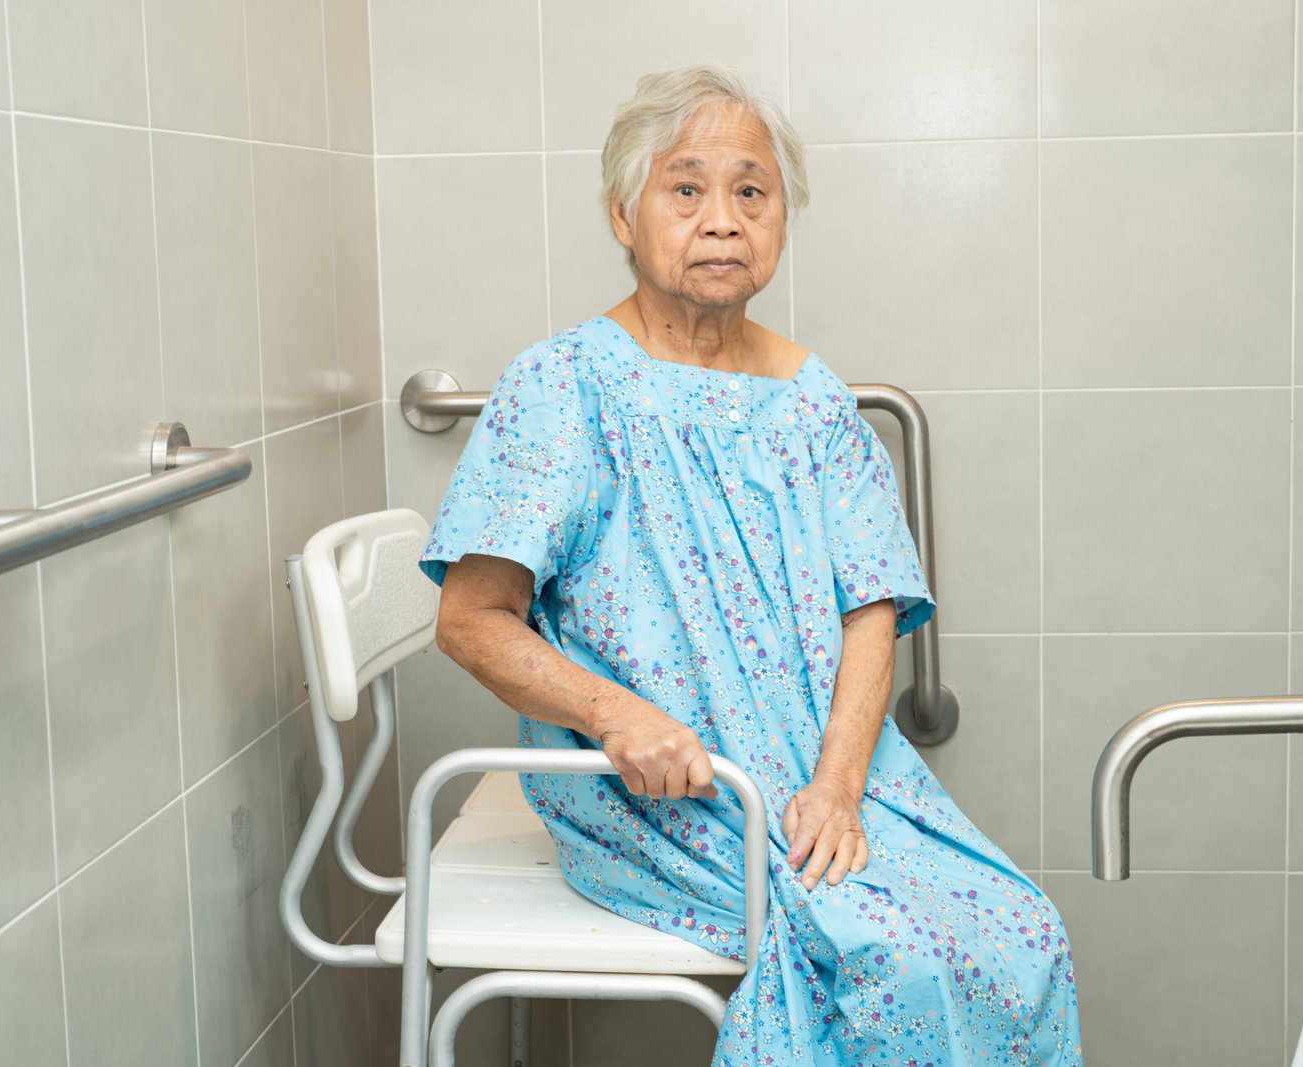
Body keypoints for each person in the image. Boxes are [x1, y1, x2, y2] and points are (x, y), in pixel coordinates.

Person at [422, 64, 1082, 1066]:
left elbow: (872, 606)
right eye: (685, 189)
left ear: (780, 221)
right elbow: (469, 620)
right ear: (622, 214)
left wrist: (837, 786)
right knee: (883, 951)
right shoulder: (561, 387)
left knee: (1020, 928)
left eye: (750, 192)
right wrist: (616, 714)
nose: (722, 220)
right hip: (652, 779)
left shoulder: (813, 398)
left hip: (819, 768)